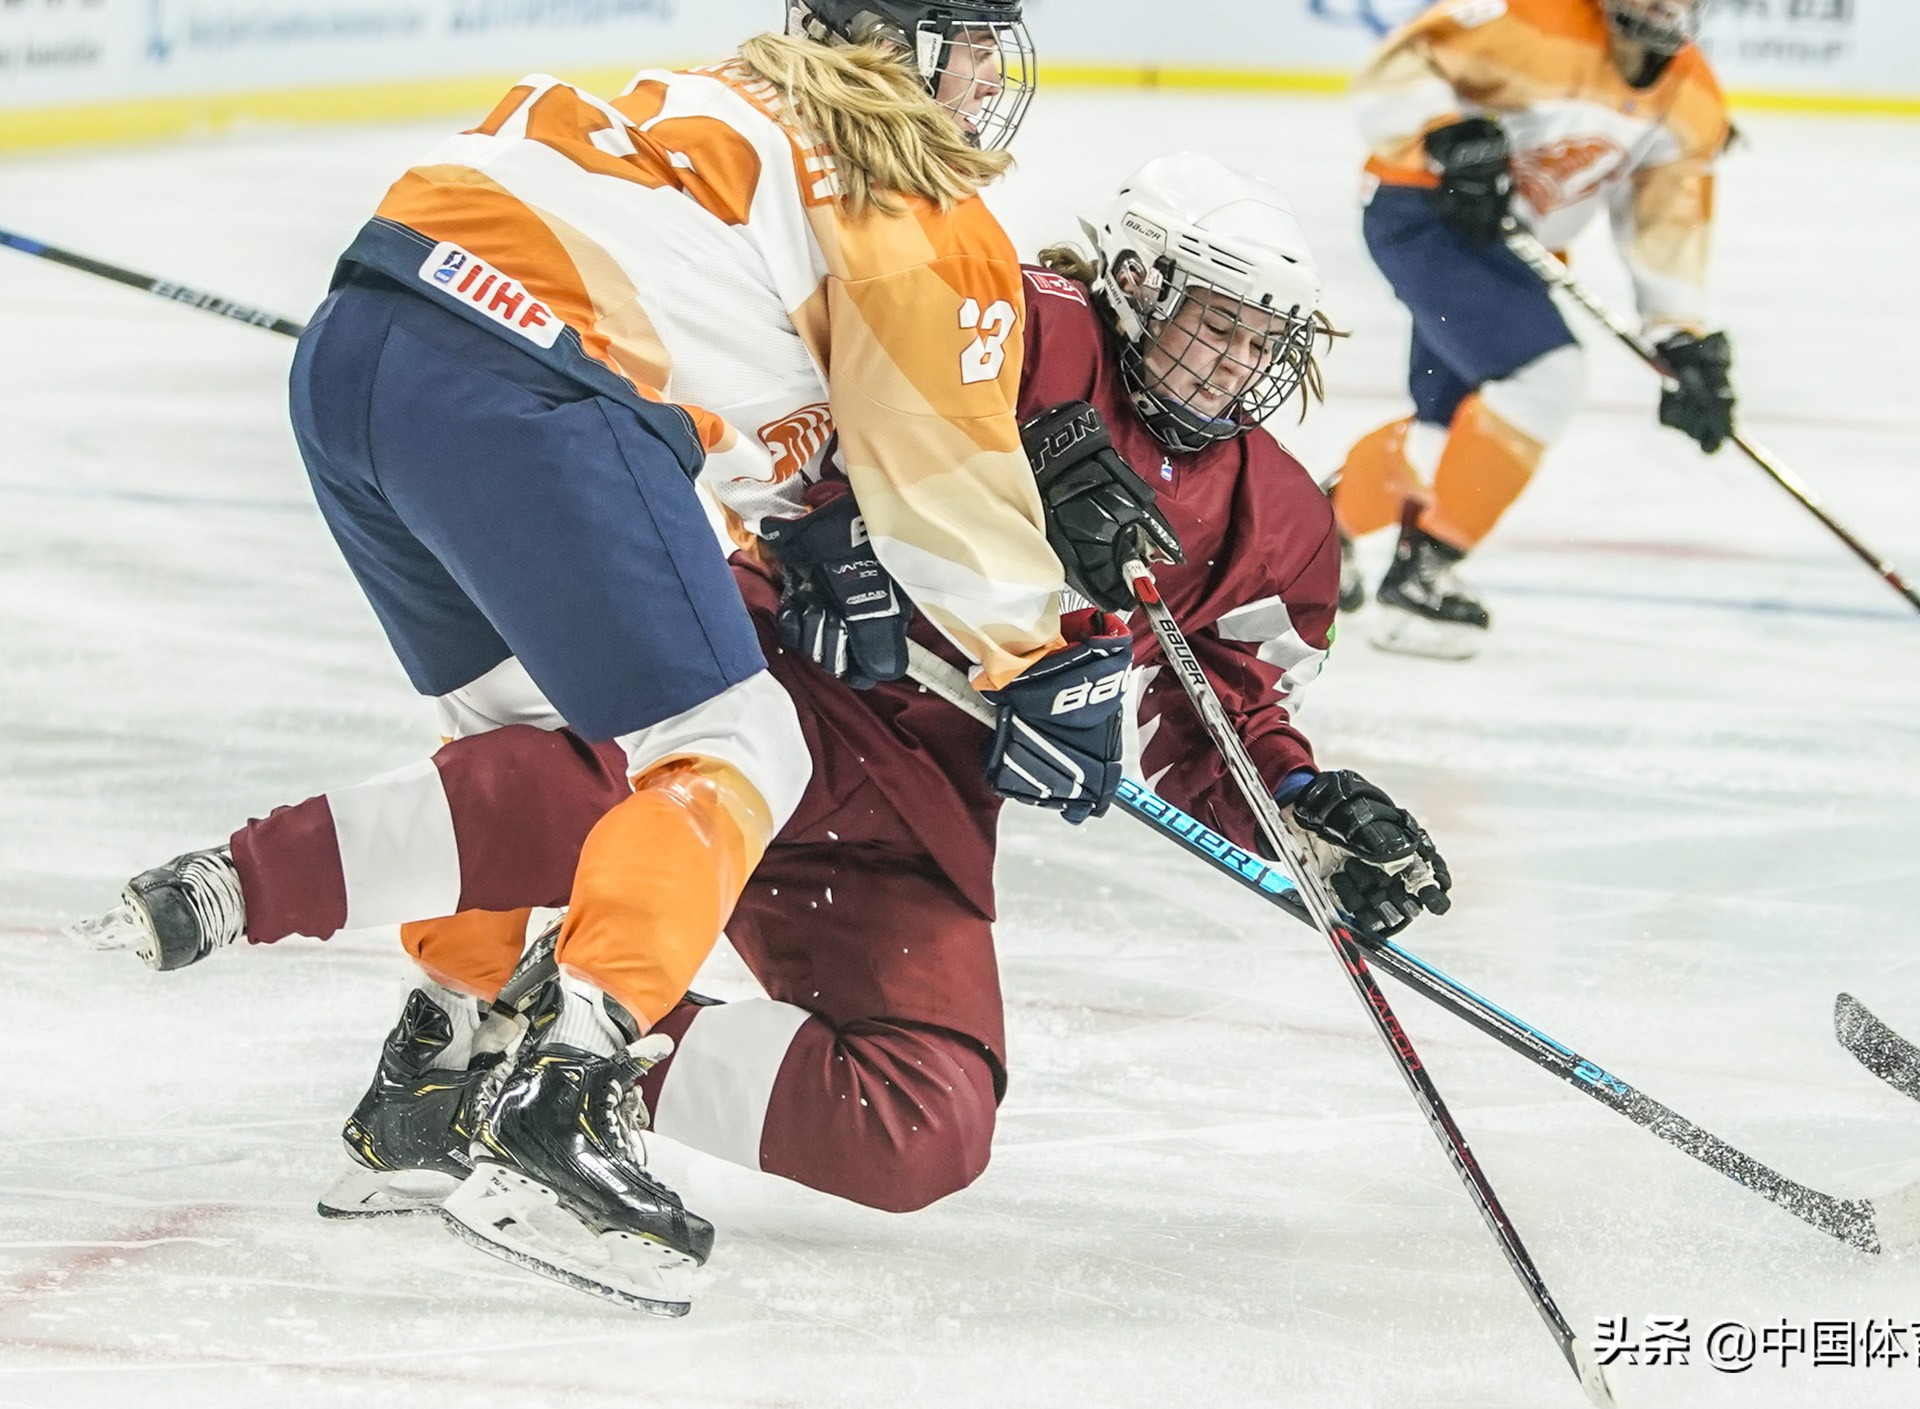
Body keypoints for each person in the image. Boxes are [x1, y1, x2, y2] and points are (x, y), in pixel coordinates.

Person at [90, 154, 1451, 1312]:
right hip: (780, 664)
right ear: (1136, 283)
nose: (1235, 364)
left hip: (920, 795)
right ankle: (247, 882)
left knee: (925, 1126)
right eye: (1215, 323)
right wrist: (840, 540)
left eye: (1260, 342)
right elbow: (787, 404)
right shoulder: (1014, 324)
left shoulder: (1274, 516)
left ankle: (547, 1033)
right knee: (611, 786)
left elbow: (1222, 712)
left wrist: (1308, 813)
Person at [80, 0, 1143, 1314]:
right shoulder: (904, 196)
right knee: (740, 744)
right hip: (530, 389)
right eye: (969, 44)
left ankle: (432, 1085)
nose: (986, 79)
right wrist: (1041, 656)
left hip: (360, 356)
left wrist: (808, 526)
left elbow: (734, 367)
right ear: (894, 46)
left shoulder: (717, 107)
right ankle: (566, 1113)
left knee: (528, 760)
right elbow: (943, 477)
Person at [1334, 0, 1737, 658]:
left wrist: (1679, 335)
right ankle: (1424, 571)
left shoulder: (1690, 93)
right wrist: (1445, 131)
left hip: (1516, 250)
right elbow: (1399, 64)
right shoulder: (1527, 14)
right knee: (1543, 375)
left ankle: (1319, 532)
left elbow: (1669, 216)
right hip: (1425, 213)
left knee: (1451, 427)